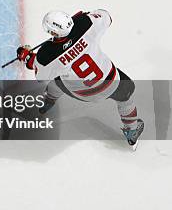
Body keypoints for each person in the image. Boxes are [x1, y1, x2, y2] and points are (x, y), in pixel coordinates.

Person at [16, 10, 144, 148]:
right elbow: (107, 17)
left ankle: (47, 102)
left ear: (52, 32)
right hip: (110, 82)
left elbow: (41, 75)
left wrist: (27, 57)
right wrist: (84, 17)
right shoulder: (85, 24)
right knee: (126, 95)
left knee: (58, 81)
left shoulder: (46, 54)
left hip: (82, 94)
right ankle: (131, 131)